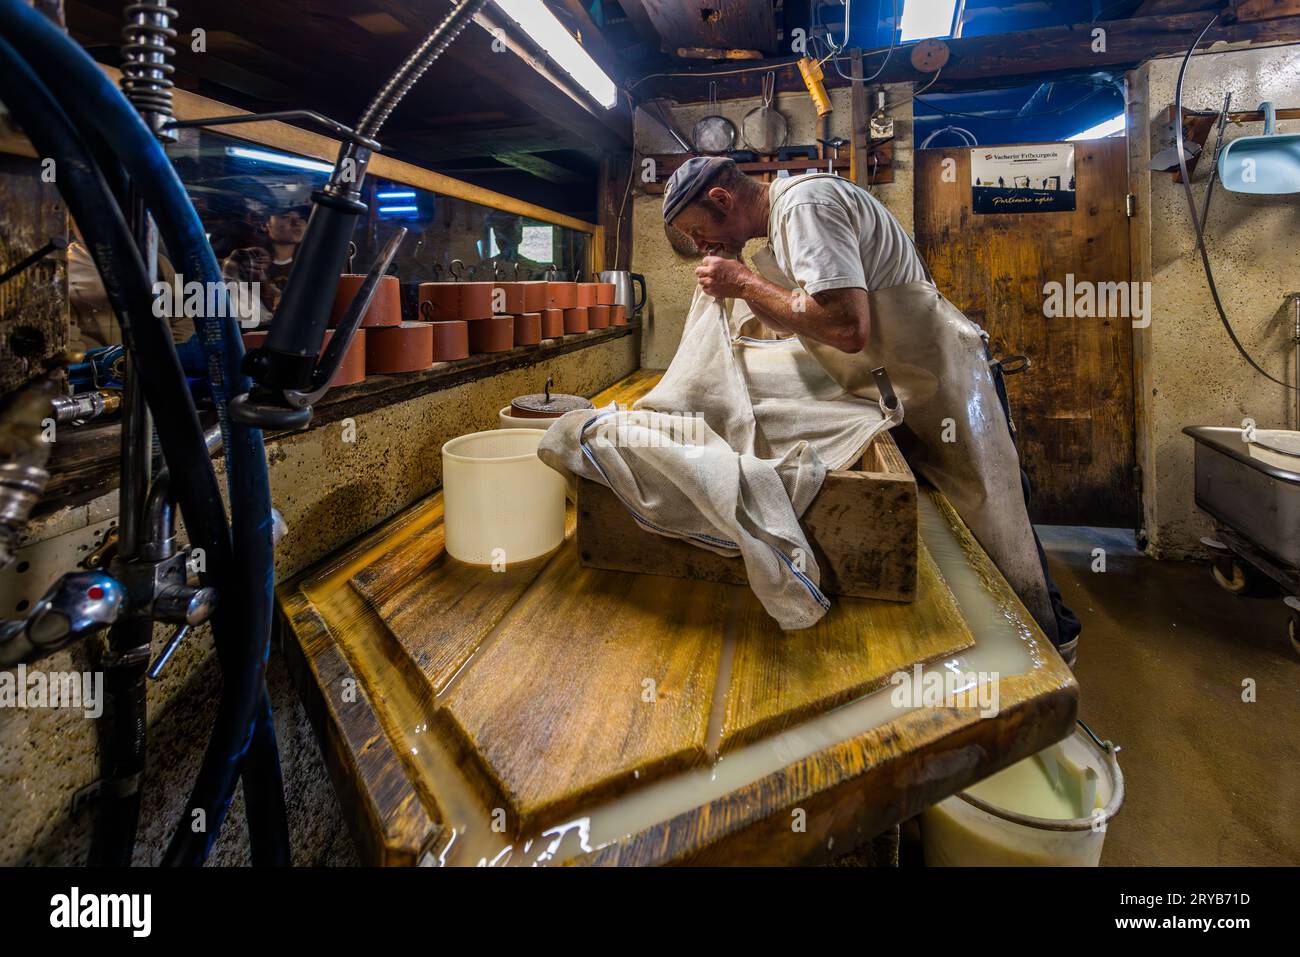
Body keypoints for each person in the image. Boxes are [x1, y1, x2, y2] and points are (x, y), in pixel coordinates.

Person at [662, 156, 1080, 666]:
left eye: (697, 231)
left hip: (945, 387)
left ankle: (1052, 656)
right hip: (911, 387)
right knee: (969, 522)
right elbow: (805, 320)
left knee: (996, 518)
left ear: (722, 199)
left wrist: (743, 283)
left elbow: (844, 326)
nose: (701, 245)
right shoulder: (784, 225)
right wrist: (742, 277)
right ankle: (1017, 654)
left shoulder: (804, 206)